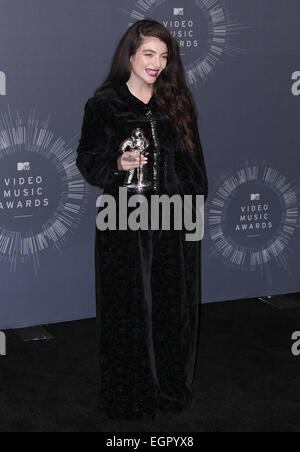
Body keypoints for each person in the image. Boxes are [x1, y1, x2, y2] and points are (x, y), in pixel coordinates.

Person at [76, 19, 208, 421]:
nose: (157, 63)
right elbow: (87, 159)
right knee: (127, 310)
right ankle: (129, 396)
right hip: (123, 222)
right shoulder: (104, 104)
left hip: (172, 222)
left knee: (173, 308)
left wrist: (190, 210)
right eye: (149, 54)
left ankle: (170, 391)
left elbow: (194, 165)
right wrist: (118, 162)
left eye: (164, 56)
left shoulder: (176, 99)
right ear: (130, 54)